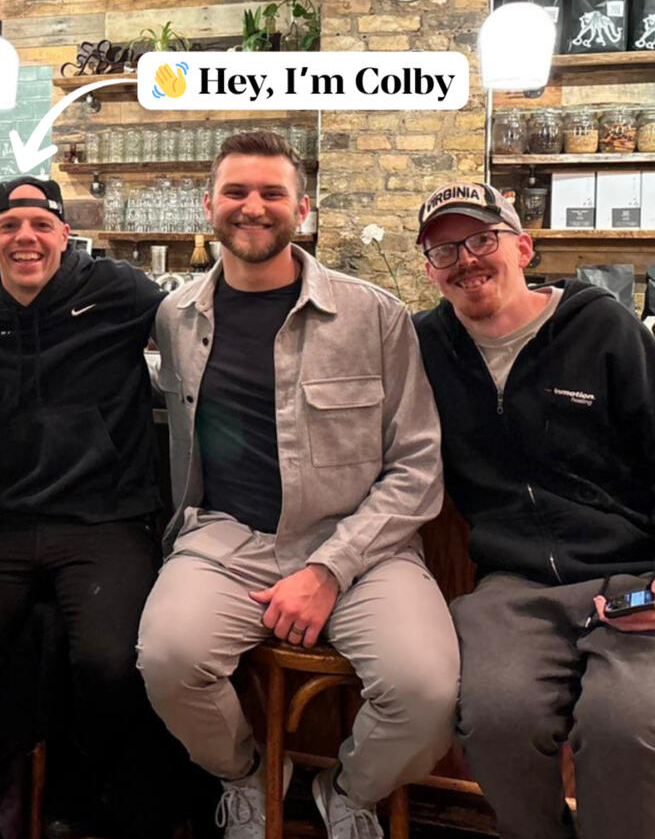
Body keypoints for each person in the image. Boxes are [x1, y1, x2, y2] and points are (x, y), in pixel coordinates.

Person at [137, 130, 457, 839]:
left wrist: (330, 568)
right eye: (236, 191)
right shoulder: (177, 316)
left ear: (302, 209)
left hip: (363, 547)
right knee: (167, 661)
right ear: (208, 206)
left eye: (271, 193)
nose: (253, 207)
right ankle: (248, 776)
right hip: (225, 540)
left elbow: (417, 465)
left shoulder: (374, 315)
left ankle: (347, 788)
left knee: (425, 692)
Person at [410, 181, 655, 839]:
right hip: (516, 589)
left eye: (481, 239)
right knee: (495, 722)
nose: (466, 260)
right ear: (429, 271)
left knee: (624, 729)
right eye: (444, 250)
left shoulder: (602, 328)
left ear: (522, 247)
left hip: (644, 576)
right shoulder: (423, 346)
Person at [0, 174, 167, 835]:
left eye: (41, 224)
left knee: (109, 663)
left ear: (65, 235)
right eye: (10, 226)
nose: (27, 238)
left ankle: (81, 797)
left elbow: (197, 330)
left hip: (107, 521)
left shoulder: (119, 291)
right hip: (12, 526)